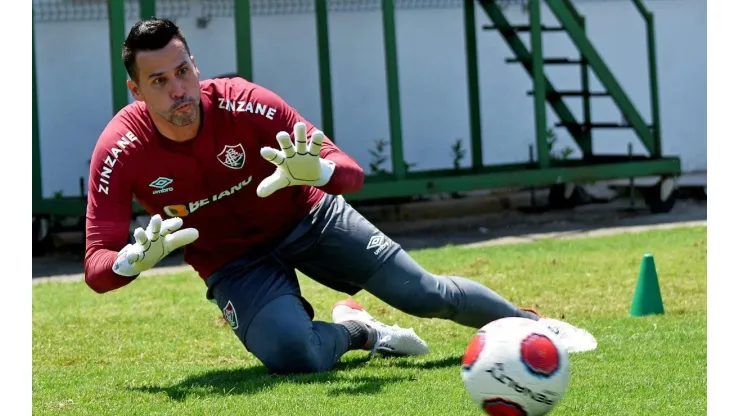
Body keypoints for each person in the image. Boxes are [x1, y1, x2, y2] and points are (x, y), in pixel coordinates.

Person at [84, 18, 597, 375]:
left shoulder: (247, 103)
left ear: (194, 64)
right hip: (232, 262)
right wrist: (128, 263)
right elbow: (96, 265)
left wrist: (321, 169)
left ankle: (533, 326)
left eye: (184, 71)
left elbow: (351, 174)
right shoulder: (119, 149)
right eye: (160, 81)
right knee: (295, 355)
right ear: (136, 91)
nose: (180, 90)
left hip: (309, 217)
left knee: (425, 294)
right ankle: (359, 332)